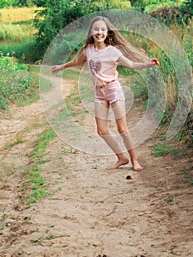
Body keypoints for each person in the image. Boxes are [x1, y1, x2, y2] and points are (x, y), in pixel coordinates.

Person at [51, 16, 159, 171]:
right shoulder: (87, 50)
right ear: (91, 32)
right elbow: (75, 62)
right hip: (99, 93)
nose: (99, 32)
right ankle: (121, 157)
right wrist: (60, 67)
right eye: (96, 29)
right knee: (101, 130)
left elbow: (132, 64)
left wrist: (148, 64)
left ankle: (135, 160)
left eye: (102, 29)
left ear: (108, 32)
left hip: (113, 90)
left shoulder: (113, 51)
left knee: (122, 129)